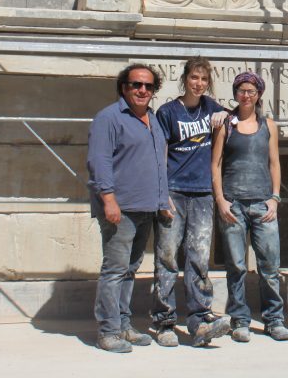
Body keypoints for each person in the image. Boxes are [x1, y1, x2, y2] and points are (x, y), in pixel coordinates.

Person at [86, 64, 170, 353]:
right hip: (120, 209)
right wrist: (108, 200)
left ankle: (123, 324)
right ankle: (108, 331)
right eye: (136, 84)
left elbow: (159, 164)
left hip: (146, 207)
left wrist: (162, 201)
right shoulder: (109, 118)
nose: (142, 90)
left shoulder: (153, 119)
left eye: (148, 86)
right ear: (124, 87)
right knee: (114, 270)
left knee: (130, 270)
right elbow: (99, 162)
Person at [151, 57, 233, 347]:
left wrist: (224, 116)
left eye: (203, 79)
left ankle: (199, 320)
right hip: (174, 191)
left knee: (198, 257)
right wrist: (161, 196)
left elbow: (231, 119)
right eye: (194, 78)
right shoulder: (168, 112)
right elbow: (159, 156)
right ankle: (164, 321)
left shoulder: (211, 107)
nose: (198, 83)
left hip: (202, 193)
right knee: (167, 257)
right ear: (184, 79)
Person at [211, 71, 288, 342]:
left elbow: (274, 163)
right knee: (236, 266)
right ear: (235, 93)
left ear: (258, 95)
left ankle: (274, 318)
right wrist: (220, 200)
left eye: (251, 91)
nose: (246, 95)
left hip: (262, 205)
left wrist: (275, 197)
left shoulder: (269, 125)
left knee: (270, 265)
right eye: (242, 91)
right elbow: (216, 164)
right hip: (233, 205)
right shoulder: (226, 125)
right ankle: (240, 319)